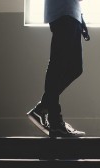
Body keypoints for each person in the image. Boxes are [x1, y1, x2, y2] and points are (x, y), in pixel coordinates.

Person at [27, 0, 89, 138]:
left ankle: (44, 107)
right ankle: (55, 121)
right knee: (58, 65)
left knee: (75, 68)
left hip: (71, 13)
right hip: (64, 14)